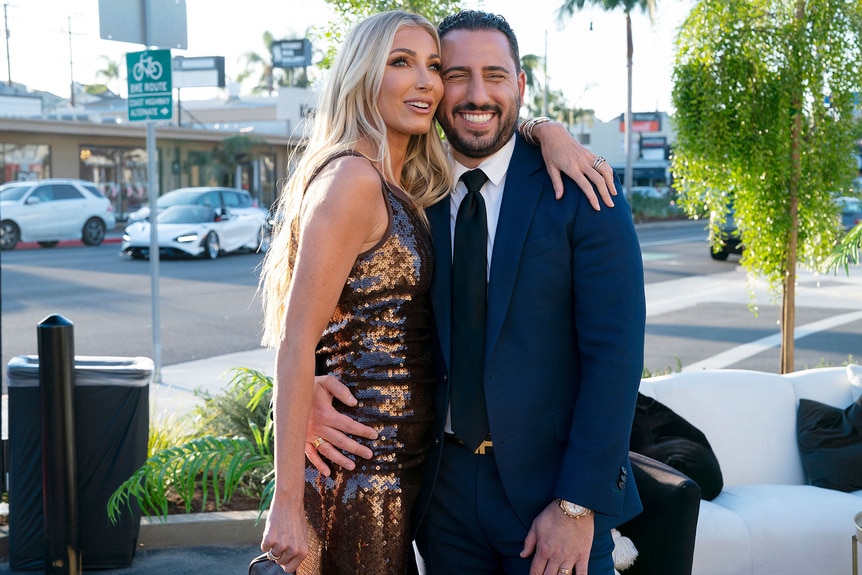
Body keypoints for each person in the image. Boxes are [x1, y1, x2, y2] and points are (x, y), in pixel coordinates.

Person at [257, 9, 614, 575]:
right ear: (365, 76)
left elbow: (614, 361)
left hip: (535, 495)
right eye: (412, 65)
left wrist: (579, 503)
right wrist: (307, 406)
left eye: (431, 66)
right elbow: (307, 328)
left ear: (520, 85)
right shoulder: (388, 183)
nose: (439, 84)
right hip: (404, 487)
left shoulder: (562, 185)